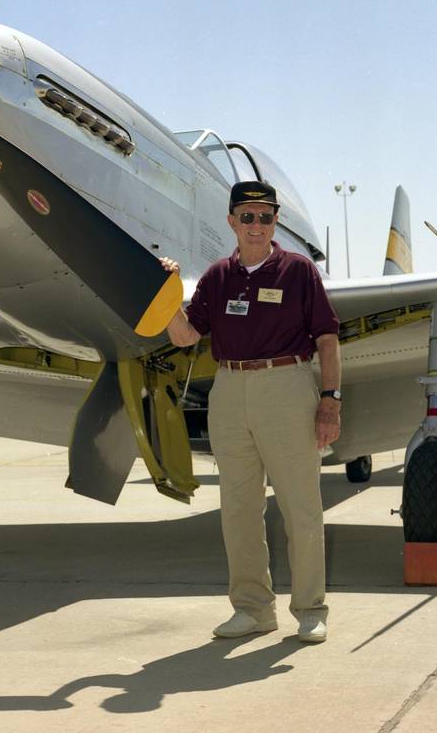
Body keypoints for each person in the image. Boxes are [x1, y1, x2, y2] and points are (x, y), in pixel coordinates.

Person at [160, 180, 341, 643]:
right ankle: (253, 610)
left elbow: (326, 340)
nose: (256, 225)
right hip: (229, 389)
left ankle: (310, 610)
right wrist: (162, 292)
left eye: (265, 217)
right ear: (231, 222)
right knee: (238, 509)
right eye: (247, 216)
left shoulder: (298, 271)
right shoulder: (218, 277)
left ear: (274, 221)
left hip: (287, 386)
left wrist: (330, 401)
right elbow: (184, 336)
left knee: (301, 507)